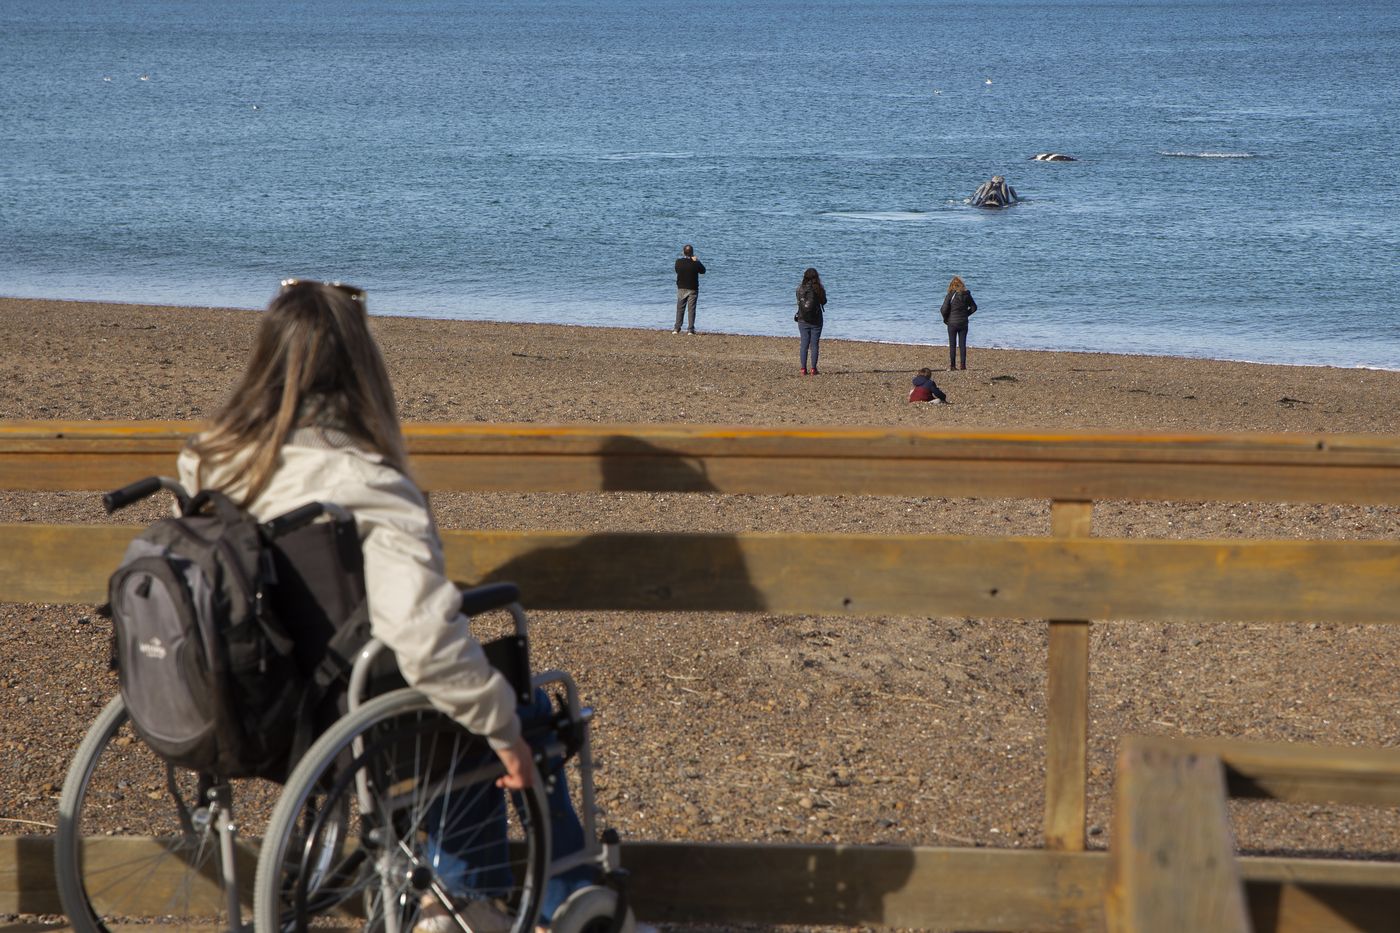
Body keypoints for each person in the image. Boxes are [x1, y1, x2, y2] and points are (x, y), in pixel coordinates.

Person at [176, 279, 591, 931]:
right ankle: (539, 897)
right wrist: (504, 727)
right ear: (360, 368)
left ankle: (485, 893)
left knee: (460, 701)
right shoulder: (369, 482)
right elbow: (422, 636)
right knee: (520, 705)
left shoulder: (206, 465)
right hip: (353, 714)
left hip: (251, 696)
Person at [939, 275, 977, 370]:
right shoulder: (966, 295)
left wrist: (946, 318)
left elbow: (943, 309)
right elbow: (974, 308)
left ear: (951, 286)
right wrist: (966, 314)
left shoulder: (950, 295)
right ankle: (963, 365)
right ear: (962, 285)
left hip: (952, 323)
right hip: (963, 322)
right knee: (962, 344)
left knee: (952, 345)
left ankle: (952, 366)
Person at [795, 267, 827, 375]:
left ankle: (803, 369)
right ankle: (813, 368)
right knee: (814, 344)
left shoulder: (799, 288)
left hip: (802, 318)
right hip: (816, 319)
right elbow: (824, 301)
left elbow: (799, 302)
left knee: (804, 343)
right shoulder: (818, 288)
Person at [673, 244, 705, 334]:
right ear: (692, 253)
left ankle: (676, 328)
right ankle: (690, 329)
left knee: (680, 308)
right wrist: (697, 261)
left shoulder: (678, 262)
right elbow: (703, 271)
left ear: (683, 252)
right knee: (691, 309)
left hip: (681, 287)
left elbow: (677, 270)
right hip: (693, 288)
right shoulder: (695, 263)